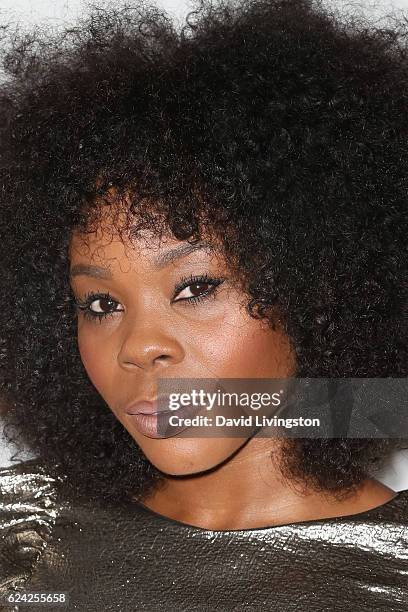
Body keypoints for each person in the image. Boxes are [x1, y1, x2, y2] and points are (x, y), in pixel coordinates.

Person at [0, 0, 407, 609]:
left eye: (194, 288)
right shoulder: (20, 536)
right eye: (101, 303)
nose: (138, 347)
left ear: (319, 285)